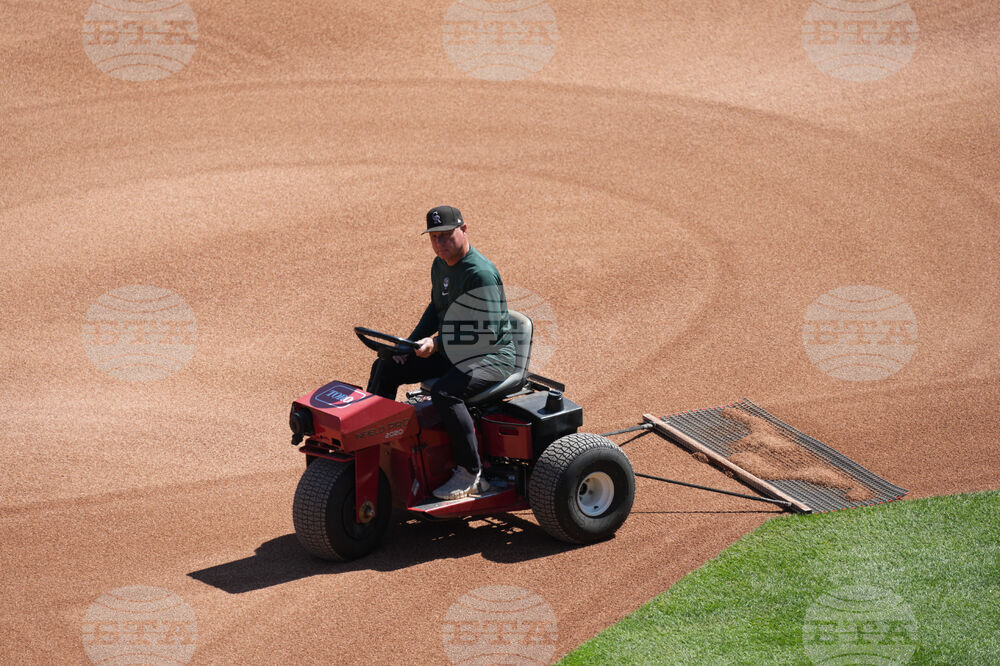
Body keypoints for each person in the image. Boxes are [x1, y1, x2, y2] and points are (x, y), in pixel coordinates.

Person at [366, 205, 516, 500]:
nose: (440, 243)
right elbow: (436, 310)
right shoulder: (440, 265)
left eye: (447, 236)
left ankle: (470, 472)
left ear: (464, 230)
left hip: (490, 357)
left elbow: (483, 333)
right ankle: (371, 444)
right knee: (387, 366)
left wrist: (437, 344)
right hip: (455, 351)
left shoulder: (480, 274)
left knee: (446, 393)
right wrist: (407, 345)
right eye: (434, 238)